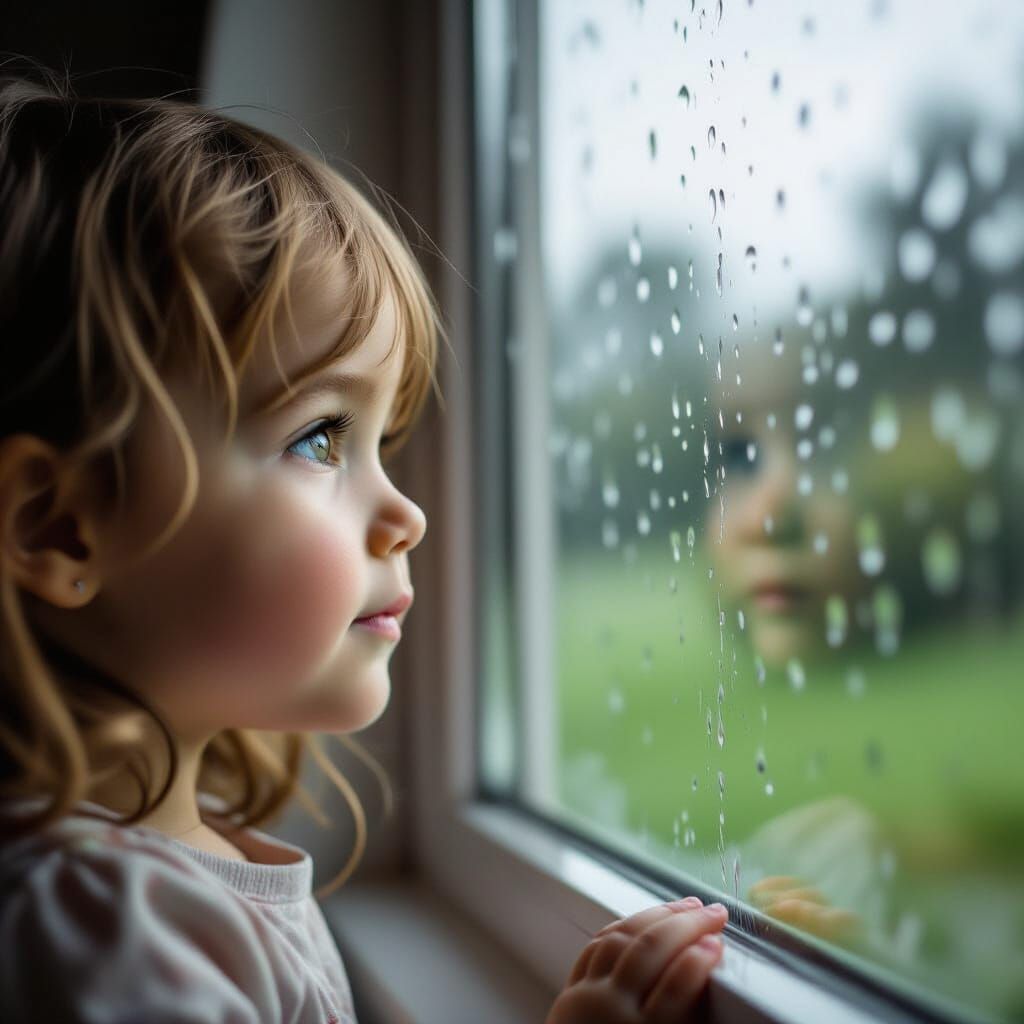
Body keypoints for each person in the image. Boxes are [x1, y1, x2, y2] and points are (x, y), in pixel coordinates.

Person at [0, 70, 728, 1023]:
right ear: (58, 525)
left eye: (381, 443)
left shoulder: (155, 877)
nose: (408, 515)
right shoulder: (107, 930)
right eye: (320, 439)